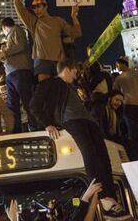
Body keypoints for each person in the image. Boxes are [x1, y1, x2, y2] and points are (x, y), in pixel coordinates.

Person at [30, 60, 132, 221]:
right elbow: (34, 105)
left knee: (104, 158)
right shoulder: (49, 84)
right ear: (67, 70)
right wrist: (47, 124)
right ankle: (104, 198)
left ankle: (111, 201)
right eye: (75, 72)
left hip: (90, 122)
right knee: (89, 153)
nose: (76, 75)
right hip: (72, 121)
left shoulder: (74, 88)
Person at [14, 0, 82, 82]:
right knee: (44, 89)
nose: (36, 9)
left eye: (39, 6)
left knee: (59, 90)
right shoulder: (33, 22)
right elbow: (17, 3)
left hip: (59, 61)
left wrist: (74, 17)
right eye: (34, 7)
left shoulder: (58, 20)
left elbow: (76, 32)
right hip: (42, 60)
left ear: (46, 6)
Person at [0, 17, 37, 132]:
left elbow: (20, 46)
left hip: (20, 71)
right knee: (12, 105)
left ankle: (34, 127)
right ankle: (16, 130)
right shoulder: (10, 37)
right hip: (11, 73)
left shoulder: (16, 30)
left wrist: (4, 52)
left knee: (26, 100)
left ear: (4, 27)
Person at [113, 57, 138, 152]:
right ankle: (136, 149)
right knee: (132, 128)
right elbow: (115, 91)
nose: (117, 67)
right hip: (127, 106)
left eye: (117, 65)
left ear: (123, 64)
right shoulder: (119, 78)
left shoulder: (136, 74)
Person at [91, 90, 138, 161]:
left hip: (111, 136)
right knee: (129, 144)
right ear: (109, 98)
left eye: (121, 101)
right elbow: (100, 126)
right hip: (103, 136)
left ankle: (137, 163)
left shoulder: (114, 112)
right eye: (117, 100)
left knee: (131, 143)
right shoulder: (101, 109)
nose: (119, 103)